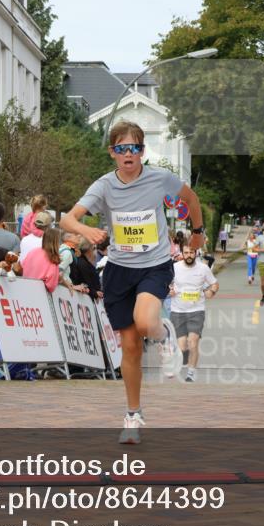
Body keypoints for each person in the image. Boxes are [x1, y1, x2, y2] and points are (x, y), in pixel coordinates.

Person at [60, 120, 203, 445]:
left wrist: (197, 233)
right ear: (112, 152)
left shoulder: (160, 178)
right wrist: (85, 230)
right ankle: (133, 414)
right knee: (130, 347)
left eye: (135, 148)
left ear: (142, 151)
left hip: (154, 266)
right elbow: (67, 219)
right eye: (122, 148)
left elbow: (191, 199)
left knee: (145, 321)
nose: (129, 154)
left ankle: (164, 334)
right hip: (119, 270)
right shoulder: (104, 186)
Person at [168, 246, 219, 382]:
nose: (189, 255)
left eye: (191, 252)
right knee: (182, 346)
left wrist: (211, 292)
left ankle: (191, 372)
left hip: (197, 311)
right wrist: (168, 290)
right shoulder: (174, 268)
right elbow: (164, 284)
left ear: (196, 253)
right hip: (177, 311)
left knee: (193, 342)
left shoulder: (203, 268)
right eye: (186, 253)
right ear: (182, 254)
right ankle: (183, 358)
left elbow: (215, 284)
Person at [21, 227, 70, 292]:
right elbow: (51, 286)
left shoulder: (33, 251)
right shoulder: (53, 259)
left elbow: (23, 267)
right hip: (39, 293)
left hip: (25, 288)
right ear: (57, 242)